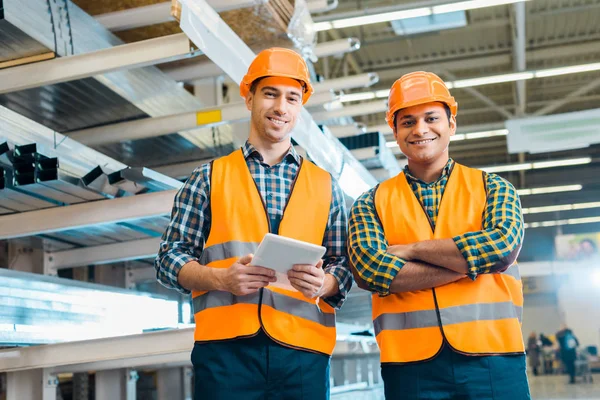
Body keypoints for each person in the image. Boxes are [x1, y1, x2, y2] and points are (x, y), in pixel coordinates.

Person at [155, 47, 352, 400]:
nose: (281, 107)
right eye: (270, 94)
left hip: (303, 354)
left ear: (300, 107)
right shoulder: (209, 177)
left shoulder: (325, 184)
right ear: (249, 98)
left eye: (292, 97)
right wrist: (219, 278)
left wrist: (324, 283)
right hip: (225, 354)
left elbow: (345, 264)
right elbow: (169, 259)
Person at [348, 71, 530, 399]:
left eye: (431, 118)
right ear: (395, 131)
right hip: (410, 365)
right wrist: (468, 263)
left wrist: (412, 249)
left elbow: (501, 249)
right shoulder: (370, 202)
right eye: (407, 122)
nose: (420, 129)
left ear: (451, 124)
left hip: (494, 357)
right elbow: (371, 271)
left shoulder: (493, 188)